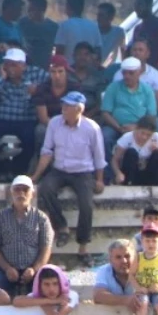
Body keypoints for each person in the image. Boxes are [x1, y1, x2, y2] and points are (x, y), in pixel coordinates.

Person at [32, 91, 106, 267]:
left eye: (68, 106)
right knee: (45, 188)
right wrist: (36, 175)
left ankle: (83, 246)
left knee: (86, 204)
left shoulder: (92, 128)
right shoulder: (54, 123)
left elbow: (99, 156)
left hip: (83, 172)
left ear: (79, 109)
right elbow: (47, 151)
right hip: (60, 169)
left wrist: (99, 179)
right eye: (63, 105)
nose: (63, 109)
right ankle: (62, 226)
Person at [0, 174, 54, 297]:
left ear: (32, 194)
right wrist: (7, 268)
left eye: (25, 190)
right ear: (12, 193)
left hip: (33, 269)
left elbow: (46, 249)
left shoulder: (41, 218)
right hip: (6, 269)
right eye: (17, 189)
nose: (21, 193)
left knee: (47, 288)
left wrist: (34, 269)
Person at [0, 47, 47, 175]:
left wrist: (38, 91)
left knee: (31, 138)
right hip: (0, 119)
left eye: (14, 65)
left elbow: (52, 84)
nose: (10, 68)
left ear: (23, 66)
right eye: (7, 64)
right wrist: (1, 79)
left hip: (26, 120)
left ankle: (19, 171)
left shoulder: (36, 74)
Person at [99, 56, 156, 159]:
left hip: (141, 127)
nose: (127, 76)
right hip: (115, 126)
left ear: (139, 72)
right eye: (124, 73)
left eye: (131, 73)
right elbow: (105, 113)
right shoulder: (113, 87)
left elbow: (151, 115)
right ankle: (108, 172)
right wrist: (119, 128)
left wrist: (136, 127)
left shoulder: (147, 90)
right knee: (104, 137)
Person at [111, 113, 158, 186]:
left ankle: (154, 184)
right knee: (131, 152)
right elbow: (114, 160)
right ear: (136, 128)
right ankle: (128, 183)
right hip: (131, 173)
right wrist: (118, 173)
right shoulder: (127, 138)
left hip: (148, 174)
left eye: (148, 135)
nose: (144, 137)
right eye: (142, 133)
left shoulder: (157, 138)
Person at [12, 264, 78, 315]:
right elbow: (16, 301)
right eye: (46, 284)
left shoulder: (71, 295)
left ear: (61, 284)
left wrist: (42, 302)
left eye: (55, 284)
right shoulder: (35, 296)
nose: (51, 289)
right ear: (39, 285)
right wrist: (53, 301)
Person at [53, 0, 103, 65]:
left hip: (69, 70)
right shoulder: (93, 26)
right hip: (88, 70)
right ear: (82, 8)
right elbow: (98, 52)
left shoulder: (64, 25)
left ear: (68, 7)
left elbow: (59, 52)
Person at [130, 0, 158, 71]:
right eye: (135, 5)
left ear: (149, 5)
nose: (136, 8)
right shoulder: (137, 29)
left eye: (139, 4)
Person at [17, 0, 58, 69]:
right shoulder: (21, 23)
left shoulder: (54, 27)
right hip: (25, 69)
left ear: (42, 9)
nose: (29, 12)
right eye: (28, 10)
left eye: (31, 9)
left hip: (45, 69)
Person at [95, 2, 125, 67]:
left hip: (110, 69)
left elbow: (123, 51)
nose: (98, 18)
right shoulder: (92, 31)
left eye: (101, 15)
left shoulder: (118, 32)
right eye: (98, 15)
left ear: (110, 17)